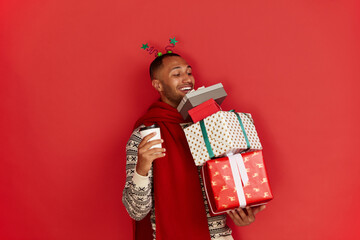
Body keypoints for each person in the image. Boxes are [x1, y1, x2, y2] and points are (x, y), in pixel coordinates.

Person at [122, 53, 266, 240]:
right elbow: (136, 211)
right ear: (158, 85)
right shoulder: (146, 134)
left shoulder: (213, 125)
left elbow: (232, 184)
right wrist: (141, 167)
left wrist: (243, 211)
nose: (187, 79)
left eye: (189, 72)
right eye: (177, 74)